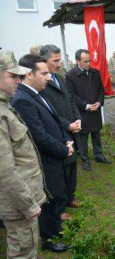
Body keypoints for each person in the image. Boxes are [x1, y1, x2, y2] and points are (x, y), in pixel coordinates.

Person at [12, 54, 73, 253]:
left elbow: (54, 121)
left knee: (56, 197)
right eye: (44, 73)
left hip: (55, 156)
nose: (49, 77)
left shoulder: (37, 92)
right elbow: (39, 136)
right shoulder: (23, 99)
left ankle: (55, 230)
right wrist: (64, 149)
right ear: (29, 74)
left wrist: (65, 140)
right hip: (45, 161)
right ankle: (50, 239)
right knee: (49, 199)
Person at [0, 54, 47, 258]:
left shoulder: (5, 107)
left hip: (22, 202)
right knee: (23, 253)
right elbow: (5, 171)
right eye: (13, 76)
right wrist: (28, 204)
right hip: (18, 205)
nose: (19, 81)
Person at [40, 45, 81, 221]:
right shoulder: (42, 84)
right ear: (44, 61)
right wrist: (67, 125)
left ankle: (70, 196)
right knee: (61, 171)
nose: (59, 64)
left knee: (72, 165)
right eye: (55, 61)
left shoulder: (58, 78)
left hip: (72, 128)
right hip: (60, 131)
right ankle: (61, 205)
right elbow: (50, 112)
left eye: (60, 60)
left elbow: (70, 99)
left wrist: (78, 119)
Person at [65, 49, 111, 171]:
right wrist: (86, 106)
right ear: (77, 61)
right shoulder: (70, 76)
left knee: (96, 133)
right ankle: (85, 159)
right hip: (81, 112)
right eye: (85, 61)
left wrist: (99, 102)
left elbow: (101, 89)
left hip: (95, 110)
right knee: (83, 137)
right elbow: (72, 95)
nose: (88, 64)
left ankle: (99, 155)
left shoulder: (95, 73)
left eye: (89, 61)